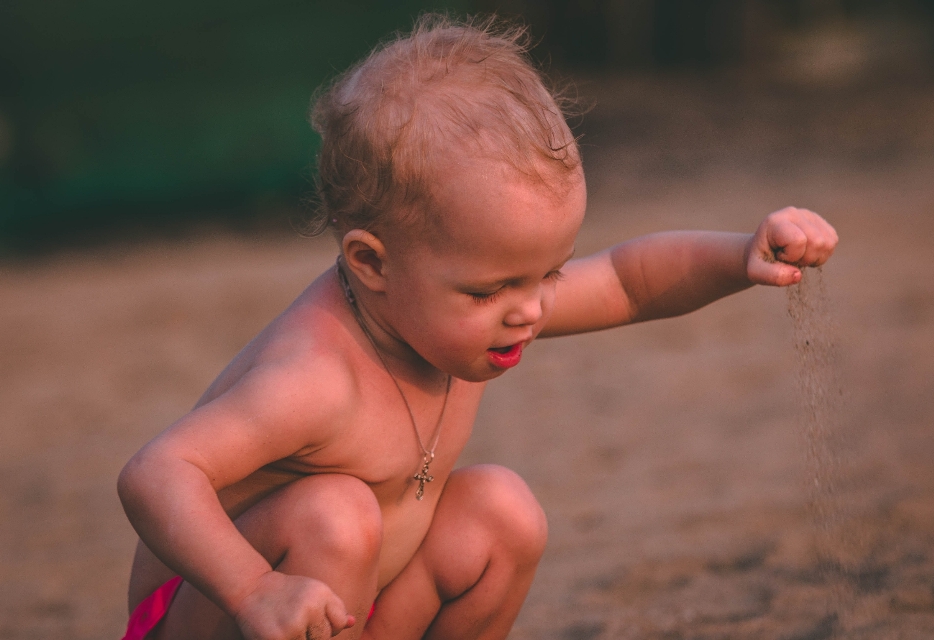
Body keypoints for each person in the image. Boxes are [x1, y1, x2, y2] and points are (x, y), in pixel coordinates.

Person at [117, 14, 838, 640]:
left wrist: (741, 254)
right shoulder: (315, 378)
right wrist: (252, 589)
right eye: (491, 288)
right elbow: (156, 473)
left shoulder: (470, 312)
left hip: (346, 614)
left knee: (501, 511)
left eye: (547, 275)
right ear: (372, 263)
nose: (528, 309)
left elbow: (626, 280)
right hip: (229, 618)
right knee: (333, 514)